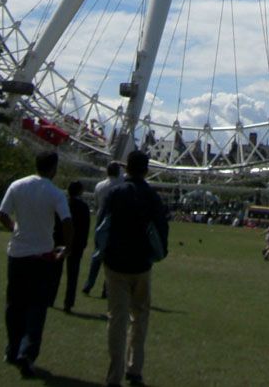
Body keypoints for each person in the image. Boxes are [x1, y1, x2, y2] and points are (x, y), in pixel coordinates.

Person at [0, 150, 73, 378]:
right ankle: (27, 353)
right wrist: (67, 248)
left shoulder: (17, 185)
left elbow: (2, 214)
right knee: (37, 307)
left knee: (14, 304)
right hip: (42, 257)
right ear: (54, 168)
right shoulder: (55, 193)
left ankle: (13, 349)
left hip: (18, 254)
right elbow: (67, 221)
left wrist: (15, 229)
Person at [102, 150, 169, 387]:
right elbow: (161, 229)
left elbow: (102, 226)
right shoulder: (152, 196)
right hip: (142, 264)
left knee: (117, 319)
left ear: (126, 168)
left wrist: (103, 252)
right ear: (146, 169)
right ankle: (135, 369)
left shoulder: (115, 193)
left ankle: (114, 375)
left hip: (115, 264)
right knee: (140, 318)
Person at [83, 160, 124, 296]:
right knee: (112, 258)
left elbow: (96, 204)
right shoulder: (121, 185)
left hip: (101, 219)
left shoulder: (99, 186)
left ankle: (89, 284)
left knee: (97, 254)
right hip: (116, 221)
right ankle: (106, 289)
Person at [51, 181, 91, 313]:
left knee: (55, 272)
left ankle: (50, 298)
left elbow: (56, 223)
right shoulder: (83, 207)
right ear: (80, 191)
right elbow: (85, 228)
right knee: (73, 274)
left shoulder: (62, 204)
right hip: (77, 243)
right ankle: (68, 303)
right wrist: (83, 243)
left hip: (59, 241)